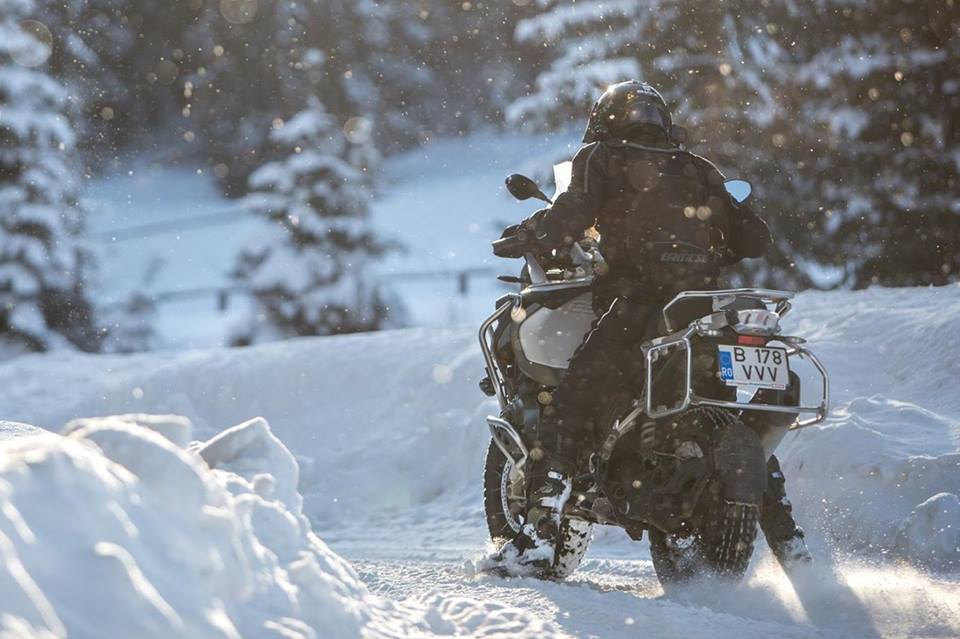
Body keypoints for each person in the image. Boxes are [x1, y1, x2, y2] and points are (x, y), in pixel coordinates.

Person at [492, 80, 810, 574]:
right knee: (729, 415)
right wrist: (706, 241)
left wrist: (531, 233)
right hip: (700, 309)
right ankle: (794, 551)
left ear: (603, 121)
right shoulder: (698, 168)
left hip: (637, 301)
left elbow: (572, 214)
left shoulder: (601, 157)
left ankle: (537, 538)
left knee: (573, 402)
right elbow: (756, 239)